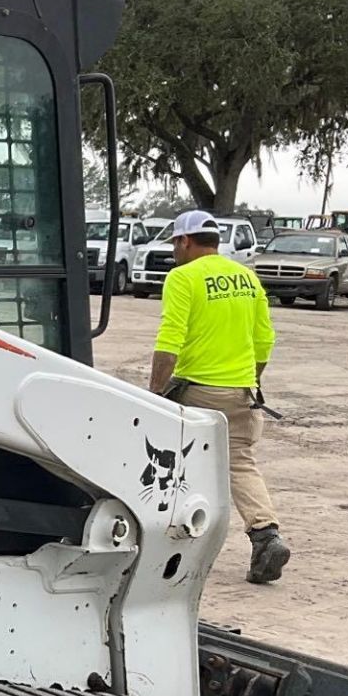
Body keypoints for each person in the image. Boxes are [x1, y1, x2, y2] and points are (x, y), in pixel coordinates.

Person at [147, 210, 290, 584]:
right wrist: (250, 381)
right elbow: (265, 339)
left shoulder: (182, 278)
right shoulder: (247, 277)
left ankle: (169, 548)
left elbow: (170, 340)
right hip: (242, 392)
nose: (174, 252)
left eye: (174, 244)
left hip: (197, 393)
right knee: (239, 463)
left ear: (185, 241)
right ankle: (265, 535)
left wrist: (154, 393)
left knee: (173, 465)